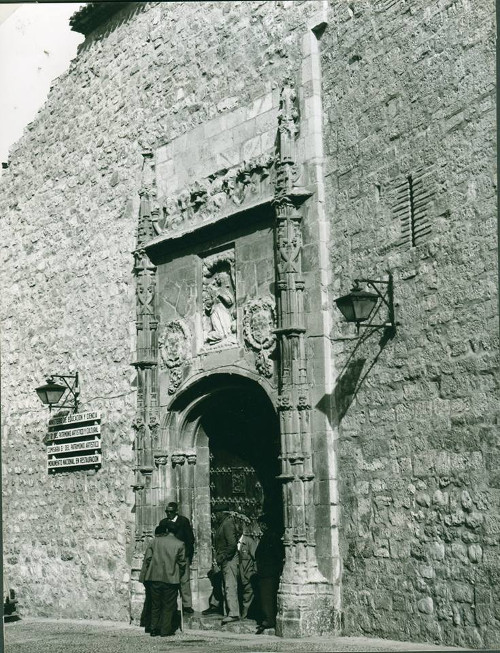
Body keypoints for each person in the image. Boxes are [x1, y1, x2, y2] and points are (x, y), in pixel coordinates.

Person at [142, 521, 186, 637]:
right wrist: (178, 574)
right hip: (171, 578)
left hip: (154, 577)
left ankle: (153, 628)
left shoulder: (155, 541)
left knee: (155, 604)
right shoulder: (180, 544)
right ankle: (165, 630)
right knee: (168, 605)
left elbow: (148, 559)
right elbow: (182, 564)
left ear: (166, 530)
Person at [158, 501, 195, 614]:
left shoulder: (183, 521)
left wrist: (187, 555)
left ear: (176, 511)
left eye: (171, 512)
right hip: (168, 557)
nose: (168, 514)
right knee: (170, 581)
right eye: (167, 512)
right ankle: (171, 605)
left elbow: (190, 539)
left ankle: (187, 605)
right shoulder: (163, 523)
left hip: (182, 555)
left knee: (184, 580)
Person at [255, 514, 284, 633]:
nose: (260, 527)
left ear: (265, 525)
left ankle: (269, 620)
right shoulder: (268, 536)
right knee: (265, 595)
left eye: (261, 524)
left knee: (267, 596)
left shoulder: (271, 537)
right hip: (266, 571)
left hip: (269, 572)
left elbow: (278, 554)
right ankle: (268, 618)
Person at [213, 504, 243, 624]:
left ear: (222, 513)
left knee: (230, 585)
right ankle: (229, 612)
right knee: (226, 585)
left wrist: (223, 557)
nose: (215, 516)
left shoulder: (227, 524)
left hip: (229, 560)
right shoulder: (224, 523)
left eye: (216, 513)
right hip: (225, 560)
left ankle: (233, 613)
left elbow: (231, 544)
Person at [238, 524, 259, 620]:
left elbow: (256, 559)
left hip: (247, 574)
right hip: (238, 575)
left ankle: (244, 615)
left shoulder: (249, 542)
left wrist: (253, 573)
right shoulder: (233, 542)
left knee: (248, 596)